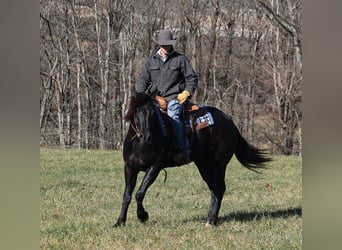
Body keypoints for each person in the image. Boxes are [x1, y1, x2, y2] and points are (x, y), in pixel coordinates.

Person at [136, 29, 198, 165]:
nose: (166, 47)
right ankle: (140, 148)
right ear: (159, 44)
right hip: (154, 99)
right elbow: (142, 80)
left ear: (172, 44)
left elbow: (192, 78)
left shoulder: (180, 59)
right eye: (163, 44)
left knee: (173, 115)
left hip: (174, 98)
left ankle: (182, 150)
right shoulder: (151, 60)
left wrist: (186, 93)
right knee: (140, 115)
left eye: (168, 44)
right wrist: (141, 96)